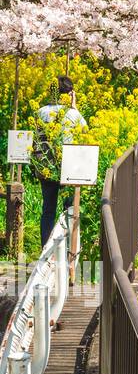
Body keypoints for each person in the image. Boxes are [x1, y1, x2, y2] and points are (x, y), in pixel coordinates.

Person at [32, 75, 88, 246]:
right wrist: (75, 106)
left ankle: (45, 251)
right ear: (70, 94)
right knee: (68, 210)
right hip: (68, 169)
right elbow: (86, 134)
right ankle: (67, 250)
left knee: (48, 210)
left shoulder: (40, 112)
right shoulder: (73, 114)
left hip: (45, 167)